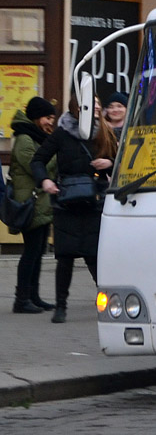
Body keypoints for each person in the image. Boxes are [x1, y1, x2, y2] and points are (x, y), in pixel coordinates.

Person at [31, 97, 118, 323]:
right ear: (77, 109)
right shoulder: (62, 133)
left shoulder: (105, 132)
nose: (98, 107)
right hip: (66, 202)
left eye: (99, 103)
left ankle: (111, 304)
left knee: (94, 257)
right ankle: (61, 306)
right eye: (92, 103)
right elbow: (38, 160)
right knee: (65, 257)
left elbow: (123, 160)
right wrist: (45, 182)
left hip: (94, 200)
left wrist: (109, 163)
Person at [9, 97, 58, 314]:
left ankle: (34, 296)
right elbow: (36, 167)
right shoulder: (24, 138)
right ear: (37, 117)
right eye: (48, 118)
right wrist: (55, 155)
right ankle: (21, 300)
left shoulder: (36, 136)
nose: (50, 122)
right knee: (30, 252)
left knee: (38, 251)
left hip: (39, 202)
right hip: (30, 202)